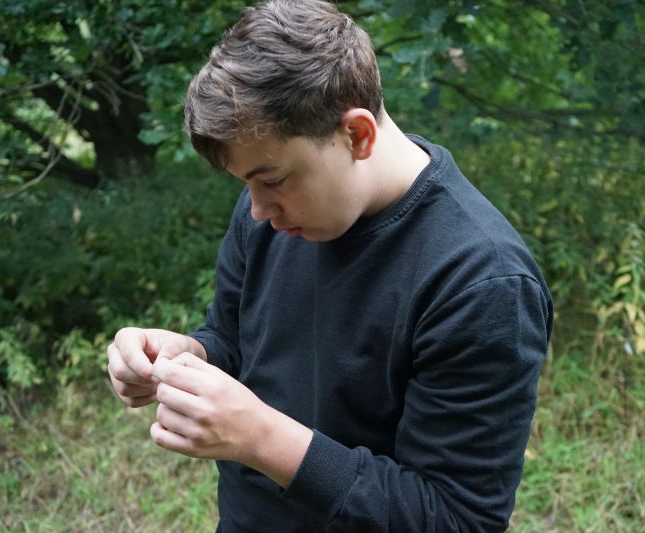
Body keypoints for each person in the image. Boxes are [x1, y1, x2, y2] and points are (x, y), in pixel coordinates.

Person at [106, 0, 553, 531]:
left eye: (273, 180)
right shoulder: (271, 212)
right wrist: (188, 354)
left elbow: (455, 518)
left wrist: (261, 438)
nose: (257, 210)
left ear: (357, 135)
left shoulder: (481, 283)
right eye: (246, 184)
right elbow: (234, 339)